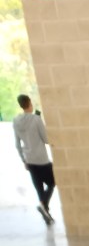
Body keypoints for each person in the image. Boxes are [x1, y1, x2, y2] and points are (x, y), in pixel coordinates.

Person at [13, 94, 55, 225]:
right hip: (42, 159)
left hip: (29, 160)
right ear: (29, 103)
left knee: (39, 189)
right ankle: (43, 205)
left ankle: (46, 214)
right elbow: (46, 139)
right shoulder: (36, 119)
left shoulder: (15, 121)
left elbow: (17, 144)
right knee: (52, 182)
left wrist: (23, 160)